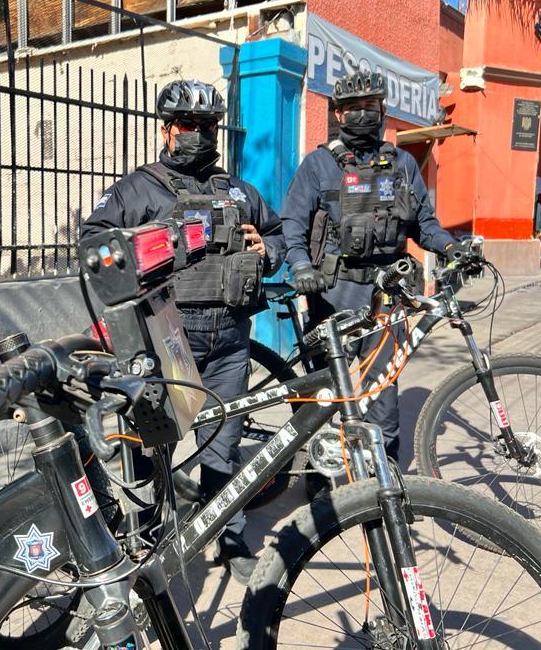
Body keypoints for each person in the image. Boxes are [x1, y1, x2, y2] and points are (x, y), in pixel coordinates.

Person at [80, 79, 285, 584]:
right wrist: (141, 249)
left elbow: (279, 235)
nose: (198, 134)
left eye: (207, 126)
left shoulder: (235, 190)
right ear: (167, 129)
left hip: (231, 340)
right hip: (166, 335)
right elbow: (94, 245)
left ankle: (230, 537)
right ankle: (153, 530)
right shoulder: (138, 187)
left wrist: (268, 250)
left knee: (224, 445)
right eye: (188, 125)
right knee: (152, 444)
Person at [281, 71, 456, 483]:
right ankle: (322, 476)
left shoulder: (402, 163)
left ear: (382, 111)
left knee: (384, 392)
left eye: (371, 108)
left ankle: (384, 477)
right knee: (328, 393)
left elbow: (424, 225)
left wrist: (450, 247)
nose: (363, 115)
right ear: (338, 113)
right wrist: (300, 265)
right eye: (353, 109)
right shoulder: (318, 164)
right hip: (331, 292)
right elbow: (293, 223)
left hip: (386, 295)